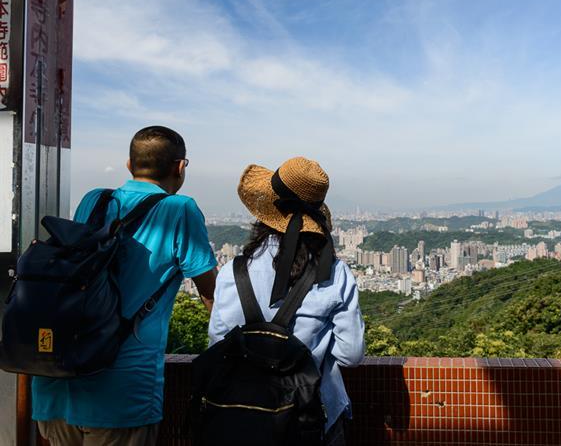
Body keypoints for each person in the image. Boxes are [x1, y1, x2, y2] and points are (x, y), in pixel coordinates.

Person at [33, 126, 218, 446]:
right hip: (120, 390)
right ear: (180, 167)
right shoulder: (180, 209)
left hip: (57, 381)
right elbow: (212, 294)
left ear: (129, 166)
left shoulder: (95, 200)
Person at [209, 157, 364, 446]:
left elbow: (218, 344)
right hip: (312, 416)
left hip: (242, 417)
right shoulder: (333, 273)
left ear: (266, 212)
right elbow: (351, 355)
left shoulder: (234, 270)